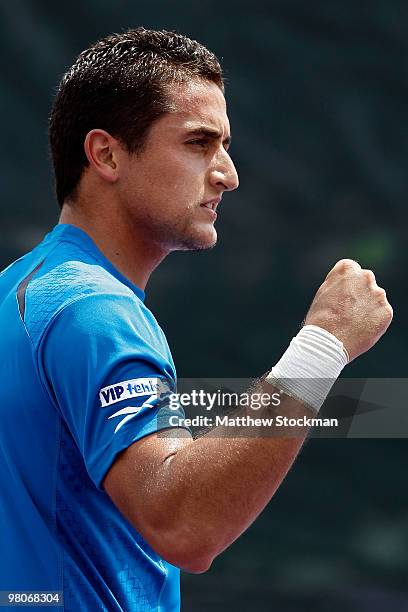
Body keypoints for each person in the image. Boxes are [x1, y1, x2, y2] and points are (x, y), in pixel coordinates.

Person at [0, 27, 392, 611]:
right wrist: (323, 344)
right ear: (105, 153)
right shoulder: (93, 311)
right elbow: (184, 524)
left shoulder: (20, 289)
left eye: (225, 145)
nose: (228, 173)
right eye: (198, 143)